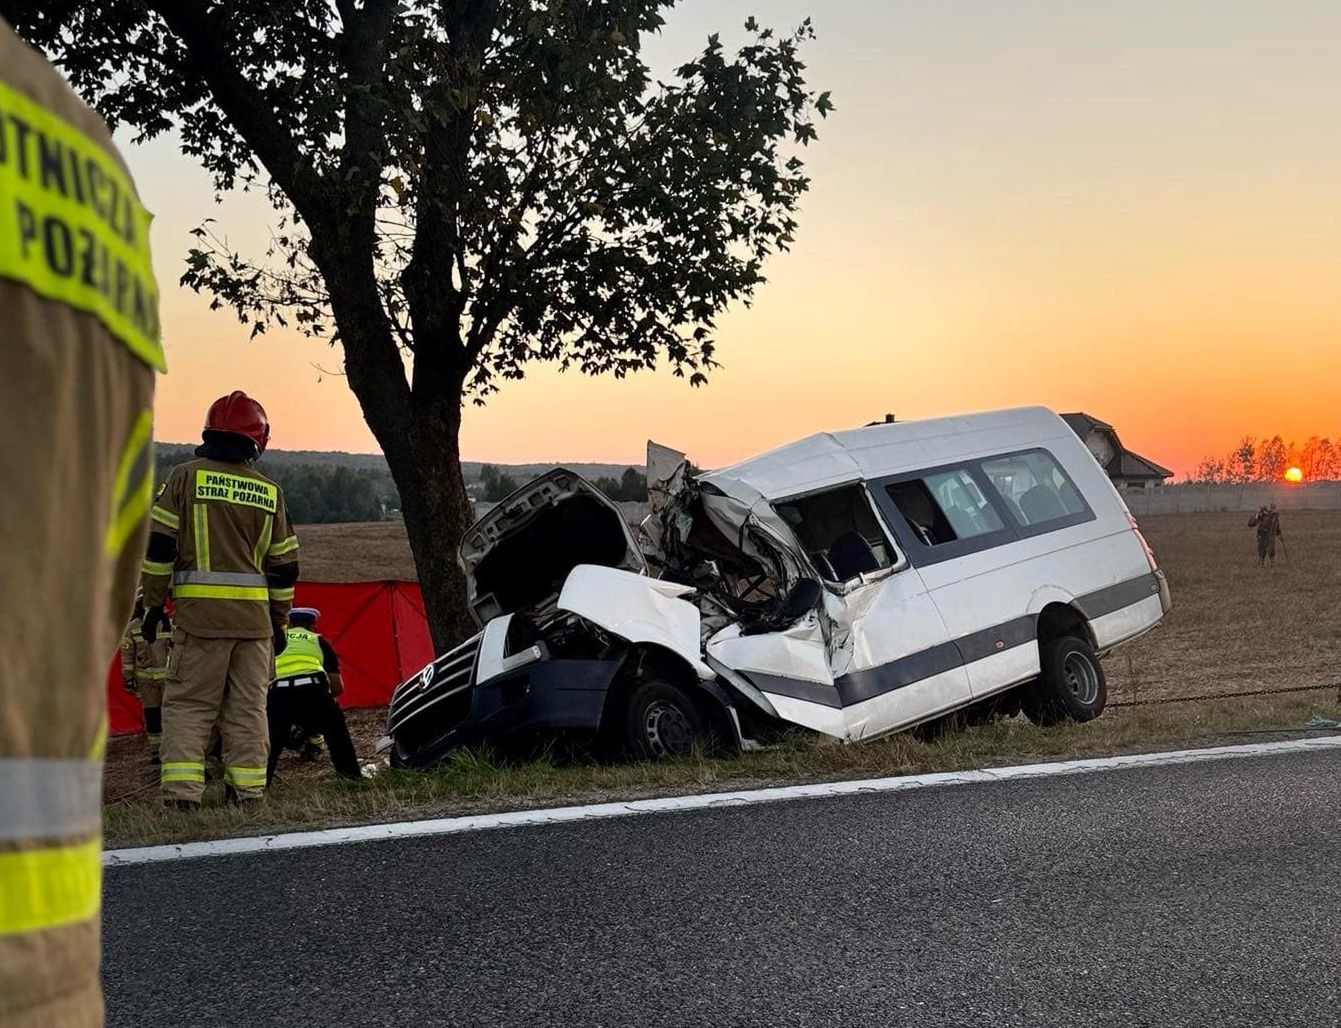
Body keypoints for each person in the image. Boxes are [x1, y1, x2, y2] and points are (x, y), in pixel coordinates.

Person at [0, 16, 163, 1026]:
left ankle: (198, 796)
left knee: (198, 723)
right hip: (49, 969)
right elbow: (108, 557)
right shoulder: (87, 155)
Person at [140, 391, 300, 806]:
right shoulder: (271, 493)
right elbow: (284, 568)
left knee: (190, 706)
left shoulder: (184, 478)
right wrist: (280, 621)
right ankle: (247, 792)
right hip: (255, 627)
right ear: (258, 439)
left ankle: (181, 795)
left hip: (200, 621)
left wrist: (154, 604)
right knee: (248, 711)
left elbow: (159, 548)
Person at [267, 608, 362, 784]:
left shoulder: (274, 641)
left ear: (291, 624)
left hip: (277, 693)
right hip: (312, 690)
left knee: (271, 743)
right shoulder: (317, 640)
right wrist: (328, 701)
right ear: (313, 625)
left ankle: (257, 786)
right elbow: (337, 686)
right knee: (336, 732)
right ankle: (350, 778)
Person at [119, 595, 171, 761]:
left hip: (168, 680)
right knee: (152, 715)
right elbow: (127, 655)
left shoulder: (169, 623)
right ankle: (156, 751)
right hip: (146, 681)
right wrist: (128, 678)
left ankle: (170, 750)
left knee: (170, 715)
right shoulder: (133, 628)